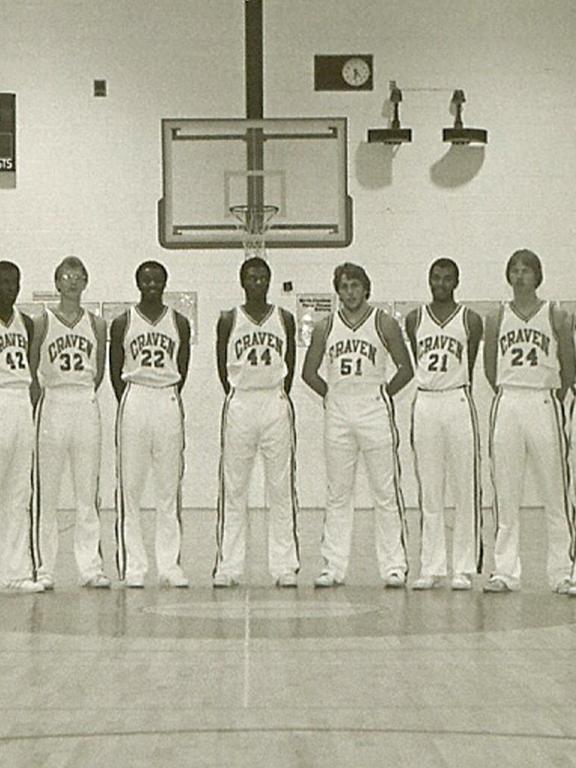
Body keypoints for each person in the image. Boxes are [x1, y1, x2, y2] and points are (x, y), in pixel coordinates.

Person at [302, 262, 413, 588]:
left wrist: (382, 395)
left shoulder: (384, 323)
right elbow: (308, 373)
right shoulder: (325, 327)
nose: (349, 292)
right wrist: (332, 395)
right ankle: (333, 567)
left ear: (366, 288)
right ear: (337, 291)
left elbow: (406, 369)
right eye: (344, 286)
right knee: (338, 493)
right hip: (338, 414)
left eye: (355, 286)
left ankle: (394, 566)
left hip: (374, 411)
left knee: (385, 492)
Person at [483, 249, 575, 593]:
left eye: (527, 270)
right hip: (508, 400)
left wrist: (553, 393)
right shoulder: (496, 317)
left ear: (538, 276)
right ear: (508, 276)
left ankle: (563, 572)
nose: (520, 276)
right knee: (505, 492)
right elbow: (490, 367)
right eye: (515, 270)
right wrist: (509, 389)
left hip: (543, 400)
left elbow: (569, 363)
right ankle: (505, 571)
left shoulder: (556, 314)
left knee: (555, 493)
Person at [213, 256, 299, 587]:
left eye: (263, 277)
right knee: (234, 489)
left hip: (274, 399)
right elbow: (223, 364)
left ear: (270, 280)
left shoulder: (285, 318)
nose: (257, 282)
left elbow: (290, 361)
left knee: (280, 488)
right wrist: (237, 393)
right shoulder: (228, 319)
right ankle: (228, 567)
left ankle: (284, 566)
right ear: (242, 281)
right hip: (241, 401)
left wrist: (276, 393)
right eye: (251, 277)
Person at [29, 256, 110, 590]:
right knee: (47, 493)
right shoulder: (42, 321)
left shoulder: (97, 324)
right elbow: (32, 367)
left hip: (84, 401)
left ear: (86, 281)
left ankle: (90, 567)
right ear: (57, 282)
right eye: (67, 276)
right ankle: (44, 568)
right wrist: (42, 405)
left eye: (79, 276)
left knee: (86, 492)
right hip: (54, 402)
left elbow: (100, 371)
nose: (73, 281)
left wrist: (84, 395)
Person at [110, 261, 190, 588]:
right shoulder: (122, 321)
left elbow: (183, 367)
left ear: (165, 282)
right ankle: (134, 567)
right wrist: (132, 397)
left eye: (157, 279)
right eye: (146, 279)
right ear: (138, 282)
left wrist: (166, 391)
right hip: (135, 397)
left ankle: (169, 565)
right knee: (130, 488)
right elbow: (115, 371)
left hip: (167, 397)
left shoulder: (179, 322)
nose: (152, 284)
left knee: (169, 488)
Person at [405, 258, 483, 591]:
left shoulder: (471, 319)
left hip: (456, 399)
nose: (440, 283)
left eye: (447, 278)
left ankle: (463, 567)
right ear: (428, 279)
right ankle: (432, 566)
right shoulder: (414, 319)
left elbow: (472, 361)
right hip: (426, 401)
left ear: (456, 282)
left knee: (464, 487)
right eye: (436, 277)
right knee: (430, 488)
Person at [0, 262, 44, 593]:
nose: (10, 288)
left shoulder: (26, 323)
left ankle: (15, 572)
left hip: (19, 404)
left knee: (18, 492)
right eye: (3, 282)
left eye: (15, 282)